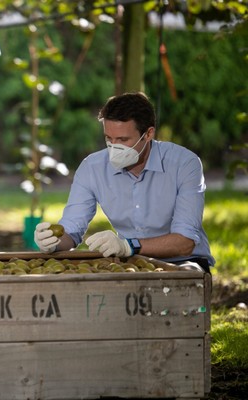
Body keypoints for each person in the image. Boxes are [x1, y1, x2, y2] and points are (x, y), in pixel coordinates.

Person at [34, 92, 214, 273]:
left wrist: (129, 246)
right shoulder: (92, 168)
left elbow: (185, 242)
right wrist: (53, 242)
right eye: (108, 139)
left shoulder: (184, 163)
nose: (114, 147)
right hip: (131, 264)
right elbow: (71, 231)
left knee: (188, 275)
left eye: (123, 140)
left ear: (148, 134)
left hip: (185, 262)